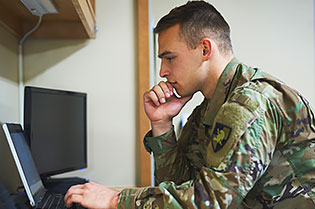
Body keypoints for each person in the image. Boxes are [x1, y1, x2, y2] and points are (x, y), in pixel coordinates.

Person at [64, 1, 315, 208]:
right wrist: (162, 124)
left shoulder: (248, 104)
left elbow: (212, 202)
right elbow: (181, 185)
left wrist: (116, 200)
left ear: (205, 49)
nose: (162, 71)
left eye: (170, 58)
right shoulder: (208, 108)